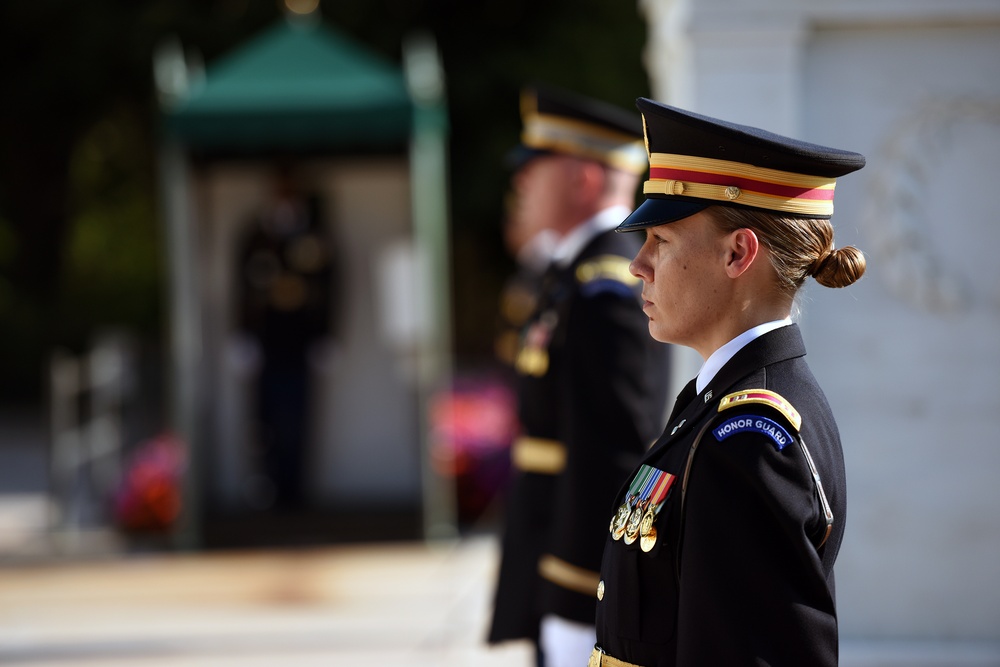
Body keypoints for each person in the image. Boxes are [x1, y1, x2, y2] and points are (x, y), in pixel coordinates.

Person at [588, 98, 867, 667]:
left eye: (660, 241)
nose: (638, 264)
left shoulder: (749, 439)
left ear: (739, 252)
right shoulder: (721, 407)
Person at [487, 85, 672, 667]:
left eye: (535, 168)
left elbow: (613, 452)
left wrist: (578, 591)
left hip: (575, 567)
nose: (520, 183)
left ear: (583, 181)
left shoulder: (604, 286)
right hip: (550, 547)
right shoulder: (571, 276)